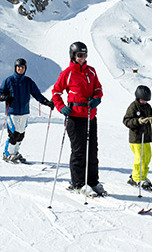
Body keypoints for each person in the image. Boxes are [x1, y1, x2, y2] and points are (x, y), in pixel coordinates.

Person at [52, 41, 106, 196]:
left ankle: (93, 182)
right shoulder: (67, 73)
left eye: (85, 55)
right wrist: (62, 107)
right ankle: (78, 183)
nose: (83, 58)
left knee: (92, 150)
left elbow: (98, 88)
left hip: (90, 115)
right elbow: (56, 93)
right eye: (79, 55)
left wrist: (97, 98)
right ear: (73, 55)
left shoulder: (92, 71)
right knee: (78, 151)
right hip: (75, 117)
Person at [0, 58, 55, 163]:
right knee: (13, 134)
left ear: (25, 68)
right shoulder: (9, 80)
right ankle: (7, 154)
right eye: (18, 67)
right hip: (12, 111)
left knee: (21, 135)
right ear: (15, 68)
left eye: (22, 67)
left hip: (24, 112)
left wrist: (46, 102)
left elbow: (37, 94)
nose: (20, 68)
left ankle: (15, 153)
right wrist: (5, 97)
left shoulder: (28, 81)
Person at [123, 85, 152, 192]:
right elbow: (126, 121)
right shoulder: (133, 107)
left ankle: (142, 176)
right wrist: (138, 121)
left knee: (147, 157)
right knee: (140, 158)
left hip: (146, 137)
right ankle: (137, 178)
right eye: (143, 100)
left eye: (146, 100)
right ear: (138, 97)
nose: (144, 102)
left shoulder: (147, 106)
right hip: (136, 137)